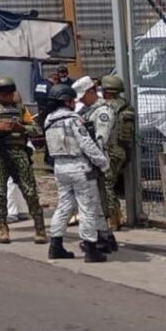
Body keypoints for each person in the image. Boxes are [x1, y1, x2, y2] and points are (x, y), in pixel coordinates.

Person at [0, 77, 47, 245]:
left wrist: (21, 128)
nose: (8, 97)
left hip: (19, 153)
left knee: (30, 192)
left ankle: (39, 228)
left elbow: (36, 129)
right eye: (4, 94)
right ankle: (3, 228)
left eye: (10, 93)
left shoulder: (20, 108)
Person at [44, 83, 111, 263]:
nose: (74, 103)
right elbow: (86, 144)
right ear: (66, 101)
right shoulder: (73, 119)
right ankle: (91, 249)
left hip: (59, 167)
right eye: (72, 100)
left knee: (64, 206)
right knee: (87, 207)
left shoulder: (48, 120)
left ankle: (55, 245)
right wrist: (103, 163)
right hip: (80, 168)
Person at [76, 75, 119, 253]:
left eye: (83, 95)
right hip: (88, 161)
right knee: (94, 201)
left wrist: (96, 161)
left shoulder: (102, 112)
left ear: (92, 91)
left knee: (98, 200)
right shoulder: (86, 111)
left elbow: (100, 140)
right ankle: (105, 236)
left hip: (98, 161)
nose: (80, 99)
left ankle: (104, 237)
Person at [101, 74, 136, 232]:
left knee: (106, 184)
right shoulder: (126, 106)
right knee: (110, 183)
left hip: (110, 149)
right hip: (122, 150)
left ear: (106, 91)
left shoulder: (106, 107)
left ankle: (115, 218)